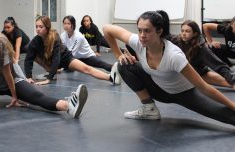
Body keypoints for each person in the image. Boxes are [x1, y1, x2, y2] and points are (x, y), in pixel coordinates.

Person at [103, 11, 235, 125]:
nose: (142, 35)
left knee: (228, 116)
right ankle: (149, 109)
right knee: (124, 65)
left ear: (159, 31)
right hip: (159, 90)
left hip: (185, 93)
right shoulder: (138, 41)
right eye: (139, 30)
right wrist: (118, 55)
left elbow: (204, 87)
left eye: (147, 31)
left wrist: (232, 105)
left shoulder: (174, 56)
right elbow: (107, 29)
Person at [0, 12, 88, 118]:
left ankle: (68, 106)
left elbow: (8, 73)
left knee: (36, 97)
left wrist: (14, 96)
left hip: (9, 81)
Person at [24, 16, 120, 86]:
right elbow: (28, 59)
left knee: (86, 69)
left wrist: (49, 79)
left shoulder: (55, 36)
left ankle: (111, 78)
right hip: (51, 63)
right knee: (31, 52)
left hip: (66, 58)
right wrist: (28, 76)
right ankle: (50, 71)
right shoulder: (36, 41)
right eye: (36, 26)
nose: (38, 29)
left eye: (41, 27)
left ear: (47, 27)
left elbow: (56, 58)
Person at [176, 20, 234, 89]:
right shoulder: (176, 40)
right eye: (182, 31)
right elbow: (206, 25)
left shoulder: (201, 49)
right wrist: (210, 42)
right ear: (231, 25)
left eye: (187, 31)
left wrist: (232, 81)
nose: (184, 34)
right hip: (180, 72)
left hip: (197, 73)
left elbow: (218, 65)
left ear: (195, 33)